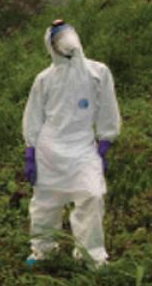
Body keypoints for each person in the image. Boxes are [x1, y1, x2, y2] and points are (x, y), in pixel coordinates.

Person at [22, 20, 121, 268]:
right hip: (50, 148)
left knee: (92, 195)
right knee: (46, 202)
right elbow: (34, 115)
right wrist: (31, 150)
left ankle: (91, 254)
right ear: (51, 46)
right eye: (58, 38)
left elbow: (108, 107)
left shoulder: (98, 72)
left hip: (83, 146)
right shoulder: (44, 79)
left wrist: (106, 139)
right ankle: (44, 250)